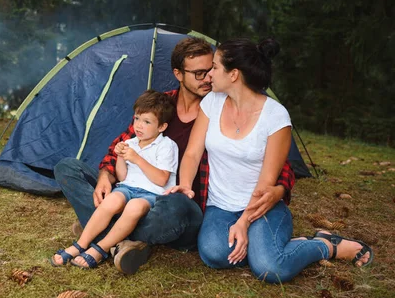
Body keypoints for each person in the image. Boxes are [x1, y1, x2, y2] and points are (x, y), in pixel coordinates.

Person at [54, 37, 295, 275]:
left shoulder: (218, 105)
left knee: (174, 206)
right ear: (179, 74)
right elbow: (125, 143)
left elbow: (272, 165)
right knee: (69, 169)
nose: (208, 77)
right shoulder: (160, 107)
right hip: (137, 192)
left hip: (177, 206)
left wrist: (280, 188)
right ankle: (120, 240)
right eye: (199, 73)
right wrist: (106, 174)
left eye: (211, 69)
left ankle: (101, 230)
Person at [170, 38, 373, 283]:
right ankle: (265, 244)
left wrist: (244, 223)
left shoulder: (275, 116)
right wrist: (185, 186)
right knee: (214, 254)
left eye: (214, 67)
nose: (209, 75)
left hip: (262, 207)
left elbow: (267, 183)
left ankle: (326, 246)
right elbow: (192, 153)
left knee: (270, 268)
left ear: (233, 74)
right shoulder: (211, 103)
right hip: (219, 206)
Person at [50, 90, 179, 269]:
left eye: (147, 122)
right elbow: (123, 177)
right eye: (137, 119)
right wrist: (120, 157)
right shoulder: (132, 143)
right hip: (127, 188)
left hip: (151, 194)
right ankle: (81, 243)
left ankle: (100, 248)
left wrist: (137, 159)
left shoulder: (166, 146)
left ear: (162, 127)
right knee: (111, 201)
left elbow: (162, 179)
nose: (139, 126)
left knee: (134, 207)